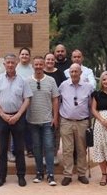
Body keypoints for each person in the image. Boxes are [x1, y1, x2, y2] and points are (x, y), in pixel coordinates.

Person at [0, 53, 32, 187]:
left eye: (12, 63)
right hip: (2, 117)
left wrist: (18, 115)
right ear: (4, 64)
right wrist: (2, 115)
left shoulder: (23, 80)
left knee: (19, 149)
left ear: (16, 63)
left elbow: (27, 99)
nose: (10, 65)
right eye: (8, 63)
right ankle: (1, 177)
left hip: (18, 117)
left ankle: (21, 176)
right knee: (2, 149)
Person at [58, 63, 94, 186]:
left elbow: (91, 105)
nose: (74, 74)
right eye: (72, 72)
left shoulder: (88, 87)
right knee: (67, 150)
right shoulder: (63, 86)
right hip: (66, 121)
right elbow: (58, 101)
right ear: (69, 73)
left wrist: (90, 121)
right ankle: (67, 174)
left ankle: (81, 174)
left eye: (76, 71)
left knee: (81, 149)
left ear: (80, 73)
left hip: (82, 122)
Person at [27, 56, 60, 186]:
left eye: (41, 64)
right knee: (37, 148)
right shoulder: (27, 81)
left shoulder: (51, 81)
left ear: (44, 66)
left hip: (47, 120)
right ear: (33, 66)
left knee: (49, 147)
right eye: (36, 64)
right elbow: (25, 100)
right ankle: (39, 173)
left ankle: (50, 174)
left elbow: (55, 99)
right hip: (33, 120)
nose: (39, 67)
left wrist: (55, 117)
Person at [43, 51, 66, 165]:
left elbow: (64, 90)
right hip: (43, 107)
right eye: (48, 59)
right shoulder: (40, 73)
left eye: (52, 59)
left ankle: (55, 153)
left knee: (55, 131)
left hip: (57, 106)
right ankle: (44, 154)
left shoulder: (60, 74)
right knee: (43, 130)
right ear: (44, 61)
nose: (50, 61)